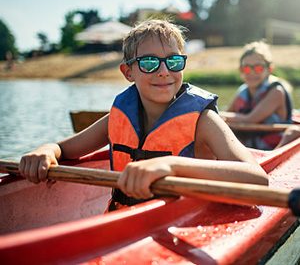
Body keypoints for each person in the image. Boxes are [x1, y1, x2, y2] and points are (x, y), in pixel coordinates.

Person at [19, 19, 268, 210]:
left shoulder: (203, 121)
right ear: (128, 72)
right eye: (149, 62)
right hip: (126, 222)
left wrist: (169, 164)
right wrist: (46, 150)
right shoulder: (118, 117)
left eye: (173, 61)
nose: (163, 72)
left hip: (184, 223)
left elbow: (257, 179)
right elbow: (64, 148)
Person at [222, 41, 293, 150]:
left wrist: (221, 116)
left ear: (269, 69)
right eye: (246, 68)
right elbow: (229, 113)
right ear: (240, 70)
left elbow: (250, 119)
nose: (251, 73)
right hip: (249, 142)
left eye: (258, 68)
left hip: (272, 145)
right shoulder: (243, 90)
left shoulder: (276, 91)